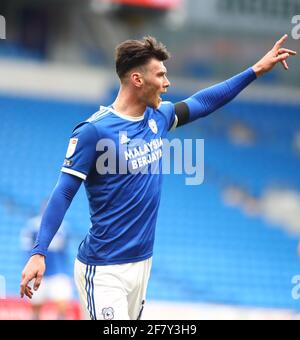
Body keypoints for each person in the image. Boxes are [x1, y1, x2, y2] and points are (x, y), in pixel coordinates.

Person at [20, 35, 296, 320]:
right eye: (161, 74)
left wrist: (255, 70)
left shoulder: (159, 118)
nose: (167, 83)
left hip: (142, 264)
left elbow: (203, 102)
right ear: (137, 79)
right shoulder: (94, 131)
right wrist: (39, 251)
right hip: (103, 269)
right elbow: (64, 192)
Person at [20, 202, 73, 320]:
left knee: (62, 308)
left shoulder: (63, 227)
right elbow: (26, 250)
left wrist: (68, 273)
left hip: (58, 273)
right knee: (35, 310)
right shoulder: (32, 226)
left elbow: (65, 253)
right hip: (38, 274)